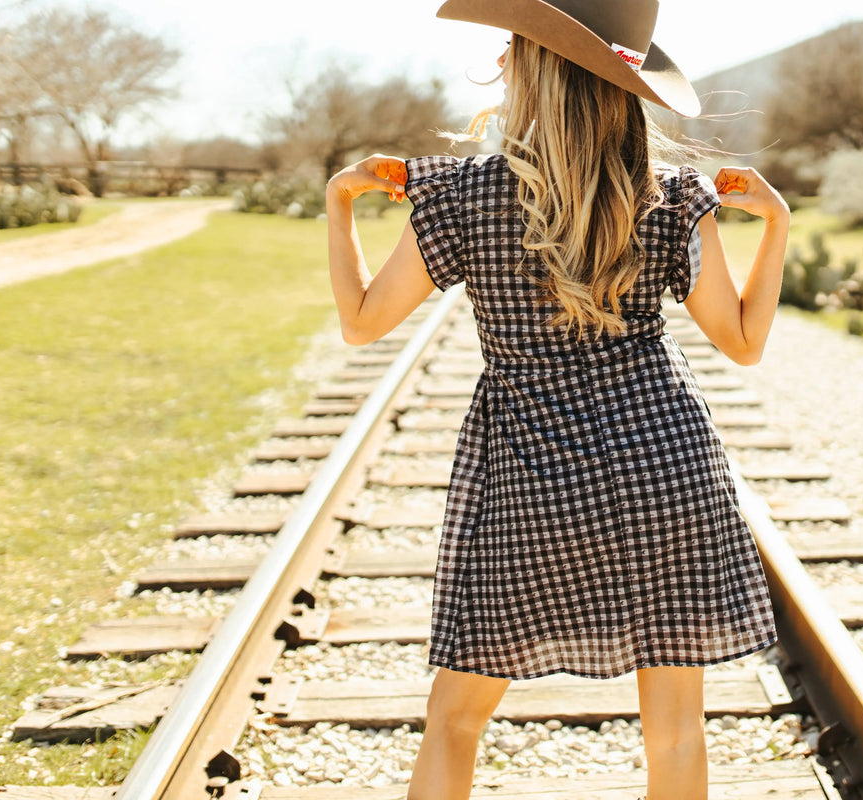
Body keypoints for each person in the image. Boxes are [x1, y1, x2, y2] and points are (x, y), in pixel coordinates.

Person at [325, 2, 790, 798]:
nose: (502, 60)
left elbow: (363, 322)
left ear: (537, 69)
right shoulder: (671, 196)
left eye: (512, 46)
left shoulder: (466, 197)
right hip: (664, 470)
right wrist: (774, 227)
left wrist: (340, 208)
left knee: (455, 722)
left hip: (528, 480)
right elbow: (743, 340)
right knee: (676, 736)